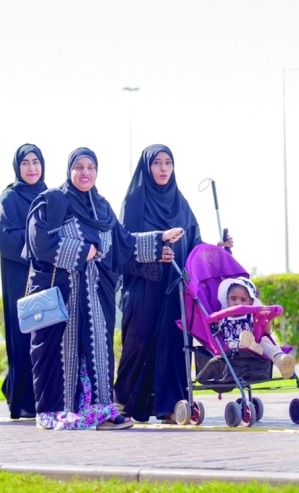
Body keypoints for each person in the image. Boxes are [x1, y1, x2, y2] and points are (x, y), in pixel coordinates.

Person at [25, 147, 183, 430]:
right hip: (63, 298)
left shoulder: (102, 207)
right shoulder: (52, 202)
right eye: (79, 167)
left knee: (98, 350)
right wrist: (81, 250)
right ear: (69, 170)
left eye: (91, 168)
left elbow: (123, 244)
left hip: (97, 299)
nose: (85, 173)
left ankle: (100, 410)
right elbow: (39, 243)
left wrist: (159, 242)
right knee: (62, 353)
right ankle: (57, 410)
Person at [114, 144, 234, 423]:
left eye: (168, 162)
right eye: (157, 163)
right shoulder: (134, 202)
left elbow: (194, 247)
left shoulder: (181, 203)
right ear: (147, 167)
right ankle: (127, 401)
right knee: (139, 345)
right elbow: (122, 246)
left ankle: (172, 405)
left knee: (174, 346)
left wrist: (217, 249)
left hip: (175, 291)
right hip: (143, 291)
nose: (164, 168)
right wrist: (154, 251)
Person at [0, 143, 46, 420]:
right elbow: (5, 238)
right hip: (21, 278)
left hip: (49, 277)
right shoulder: (9, 198)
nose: (31, 168)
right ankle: (23, 400)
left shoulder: (51, 196)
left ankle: (43, 396)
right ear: (17, 167)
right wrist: (41, 248)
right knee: (24, 336)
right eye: (25, 163)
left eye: (35, 162)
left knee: (46, 338)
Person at [215, 277, 295, 378]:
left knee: (265, 341)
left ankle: (280, 359)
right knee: (232, 344)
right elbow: (216, 331)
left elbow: (267, 331)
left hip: (256, 345)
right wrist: (215, 322)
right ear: (227, 299)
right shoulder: (222, 316)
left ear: (251, 303)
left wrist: (266, 318)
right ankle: (249, 345)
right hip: (233, 347)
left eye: (243, 300)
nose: (237, 303)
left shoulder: (252, 316)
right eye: (233, 298)